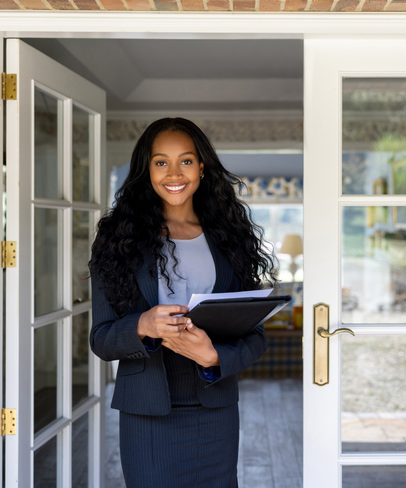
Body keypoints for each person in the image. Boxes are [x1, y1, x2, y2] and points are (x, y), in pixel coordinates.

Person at [89, 117, 277, 487]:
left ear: (202, 167)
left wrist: (214, 358)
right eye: (161, 162)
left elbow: (255, 337)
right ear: (147, 170)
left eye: (186, 161)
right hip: (147, 412)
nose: (174, 173)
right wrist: (142, 326)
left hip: (215, 409)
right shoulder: (116, 240)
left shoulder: (229, 239)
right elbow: (101, 338)